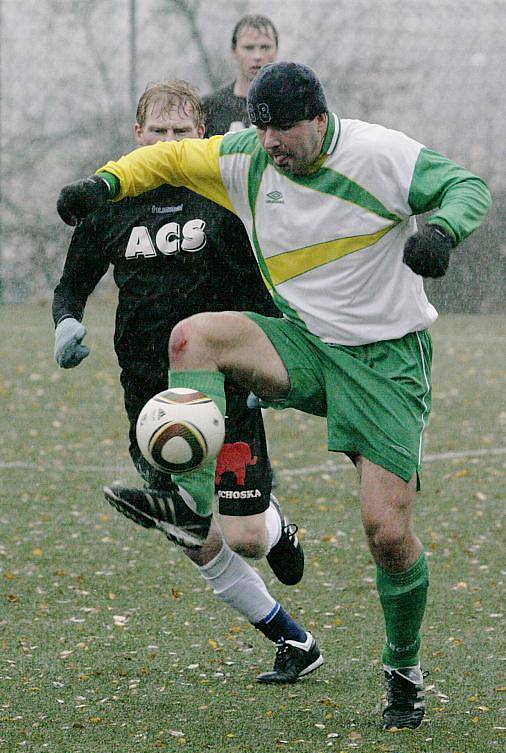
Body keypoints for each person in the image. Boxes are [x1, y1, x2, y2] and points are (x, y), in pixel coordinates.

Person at [57, 61, 491, 730]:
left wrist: (443, 232)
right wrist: (104, 183)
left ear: (319, 120)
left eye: (284, 130)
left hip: (384, 364)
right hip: (306, 344)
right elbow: (170, 155)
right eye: (262, 130)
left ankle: (403, 670)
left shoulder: (377, 153)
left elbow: (465, 185)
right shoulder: (247, 157)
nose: (272, 144)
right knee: (193, 339)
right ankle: (189, 495)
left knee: (388, 534)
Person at [53, 79, 324, 685]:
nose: (168, 142)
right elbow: (72, 282)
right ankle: (293, 640)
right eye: (158, 131)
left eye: (181, 132)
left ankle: (277, 525)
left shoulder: (224, 197)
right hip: (149, 395)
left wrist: (268, 365)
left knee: (247, 537)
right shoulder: (111, 199)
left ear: (200, 136)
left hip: (223, 390)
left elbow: (266, 284)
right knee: (192, 532)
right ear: (138, 135)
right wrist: (66, 322)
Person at [202, 14, 278, 136]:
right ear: (234, 51)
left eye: (265, 47)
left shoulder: (290, 104)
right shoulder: (210, 107)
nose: (257, 56)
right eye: (248, 48)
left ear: (276, 51)